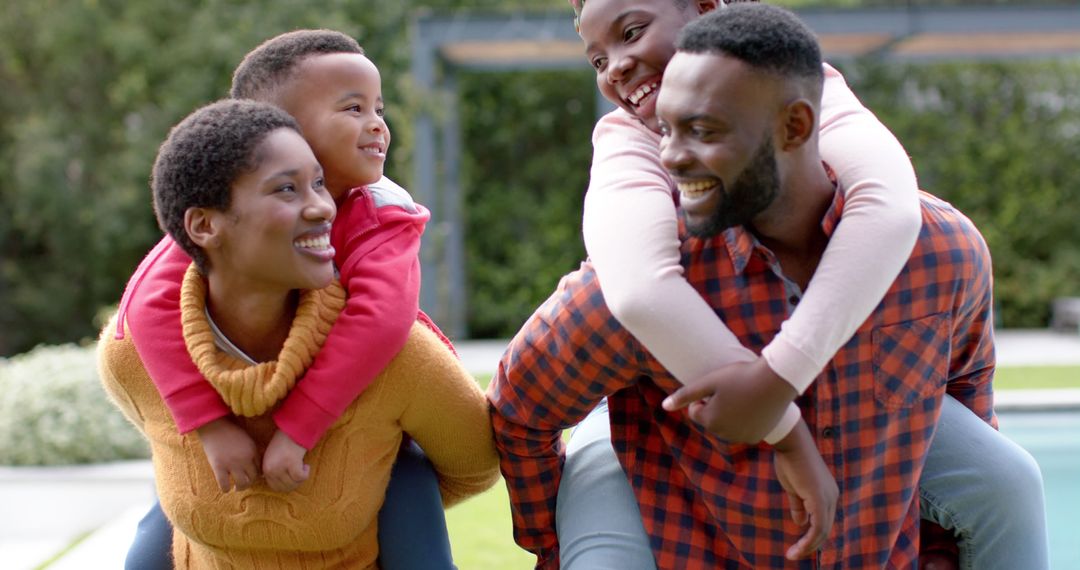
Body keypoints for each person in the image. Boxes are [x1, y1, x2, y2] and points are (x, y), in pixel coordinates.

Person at [488, 4, 1022, 567]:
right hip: (650, 415)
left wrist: (774, 383)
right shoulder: (627, 146)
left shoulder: (932, 243)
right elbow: (637, 292)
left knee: (1011, 479)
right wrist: (783, 422)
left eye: (632, 32)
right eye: (597, 57)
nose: (615, 67)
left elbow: (889, 212)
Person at [114, 30, 463, 569]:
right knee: (174, 510)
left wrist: (299, 430)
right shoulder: (228, 211)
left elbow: (380, 322)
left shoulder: (384, 210)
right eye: (353, 108)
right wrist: (208, 423)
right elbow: (145, 307)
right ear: (280, 130)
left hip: (364, 407)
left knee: (403, 477)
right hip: (241, 415)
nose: (377, 124)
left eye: (378, 107)